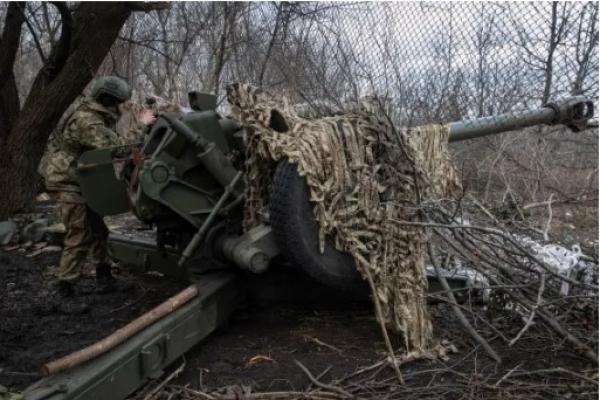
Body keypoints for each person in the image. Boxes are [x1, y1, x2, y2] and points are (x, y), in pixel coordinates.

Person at [45, 76, 155, 297]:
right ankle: (64, 289)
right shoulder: (88, 121)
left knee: (99, 231)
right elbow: (118, 148)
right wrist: (142, 124)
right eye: (119, 102)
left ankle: (104, 278)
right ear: (108, 100)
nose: (122, 107)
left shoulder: (96, 115)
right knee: (79, 234)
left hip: (82, 179)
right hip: (67, 181)